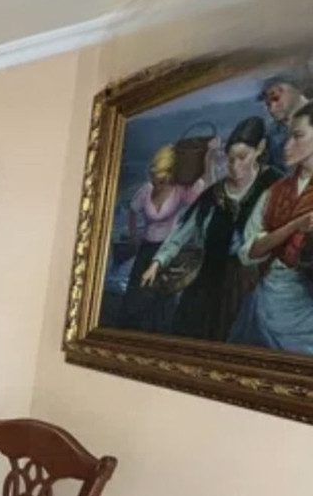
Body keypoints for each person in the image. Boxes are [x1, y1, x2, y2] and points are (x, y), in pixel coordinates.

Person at [140, 116, 281, 341]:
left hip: (245, 281)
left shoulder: (274, 184)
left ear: (260, 149)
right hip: (207, 276)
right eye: (230, 159)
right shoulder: (214, 194)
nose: (235, 166)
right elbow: (182, 231)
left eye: (242, 157)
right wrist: (158, 262)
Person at [229, 103, 313, 353]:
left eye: (298, 136)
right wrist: (293, 226)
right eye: (288, 136)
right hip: (267, 298)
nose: (287, 145)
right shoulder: (274, 192)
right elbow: (250, 251)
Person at [119, 142, 212, 332]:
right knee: (136, 295)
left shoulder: (179, 191)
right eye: (154, 178)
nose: (156, 183)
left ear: (170, 174)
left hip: (167, 250)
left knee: (161, 298)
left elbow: (204, 192)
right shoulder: (146, 190)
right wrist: (134, 235)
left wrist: (208, 159)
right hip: (146, 247)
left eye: (161, 180)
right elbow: (133, 210)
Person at [258, 73, 310, 171]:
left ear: (295, 89)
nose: (272, 109)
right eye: (267, 103)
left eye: (276, 98)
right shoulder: (271, 136)